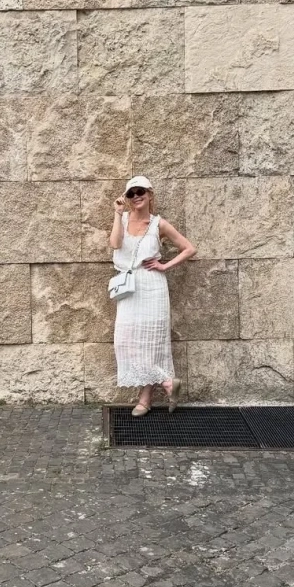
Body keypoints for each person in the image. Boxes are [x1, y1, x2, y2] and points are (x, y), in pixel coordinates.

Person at [109, 176, 196, 417]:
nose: (136, 196)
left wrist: (165, 266)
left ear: (149, 194)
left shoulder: (159, 224)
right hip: (128, 286)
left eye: (140, 192)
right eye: (131, 193)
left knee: (150, 343)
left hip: (152, 286)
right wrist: (117, 213)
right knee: (125, 341)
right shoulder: (122, 219)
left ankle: (145, 400)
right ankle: (168, 383)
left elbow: (189, 248)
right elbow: (115, 244)